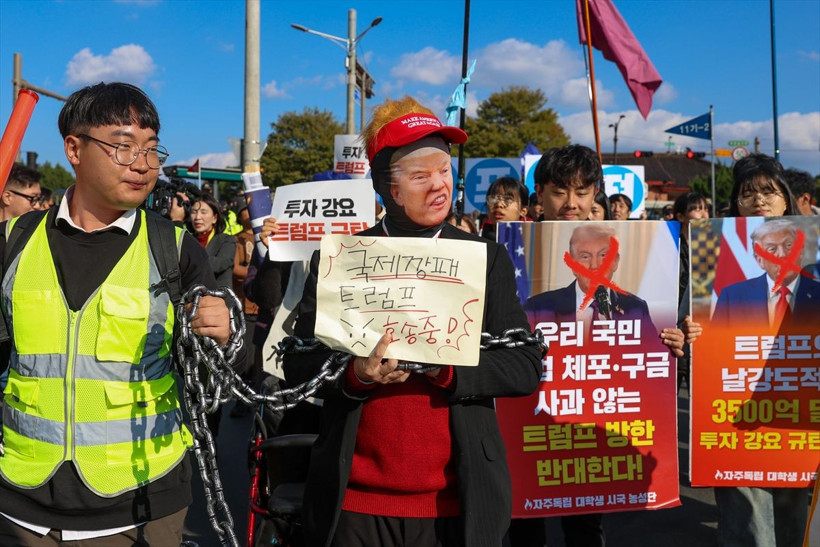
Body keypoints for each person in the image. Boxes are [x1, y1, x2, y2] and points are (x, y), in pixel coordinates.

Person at [283, 96, 542, 547]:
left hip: (456, 504)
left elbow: (524, 366)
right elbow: (297, 365)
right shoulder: (339, 259)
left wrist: (446, 369)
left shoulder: (485, 258)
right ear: (388, 189)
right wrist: (356, 375)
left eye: (445, 171)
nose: (440, 186)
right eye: (421, 176)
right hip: (354, 504)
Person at [0, 82, 234, 545]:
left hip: (143, 506)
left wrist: (224, 335)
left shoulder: (177, 250)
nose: (143, 165)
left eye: (151, 149)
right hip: (20, 505)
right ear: (74, 148)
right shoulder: (12, 242)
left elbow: (222, 380)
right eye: (123, 147)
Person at [510, 144, 684, 547]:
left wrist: (671, 346)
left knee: (585, 528)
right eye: (559, 191)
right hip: (530, 422)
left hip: (590, 433)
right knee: (523, 525)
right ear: (539, 195)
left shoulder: (635, 305)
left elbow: (649, 371)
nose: (571, 203)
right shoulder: (523, 281)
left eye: (582, 191)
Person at [711, 154, 809, 547]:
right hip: (740, 414)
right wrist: (688, 336)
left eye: (769, 192)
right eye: (747, 193)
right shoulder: (731, 293)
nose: (759, 200)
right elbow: (704, 347)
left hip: (801, 414)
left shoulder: (817, 289)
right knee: (748, 521)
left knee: (796, 518)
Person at [672, 192, 709, 391]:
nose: (703, 214)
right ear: (680, 216)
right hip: (673, 329)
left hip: (702, 329)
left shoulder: (713, 245)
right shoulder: (669, 244)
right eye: (696, 208)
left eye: (705, 209)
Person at [480, 176, 529, 241]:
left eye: (507, 199)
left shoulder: (531, 243)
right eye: (493, 198)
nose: (499, 204)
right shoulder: (476, 245)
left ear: (523, 211)